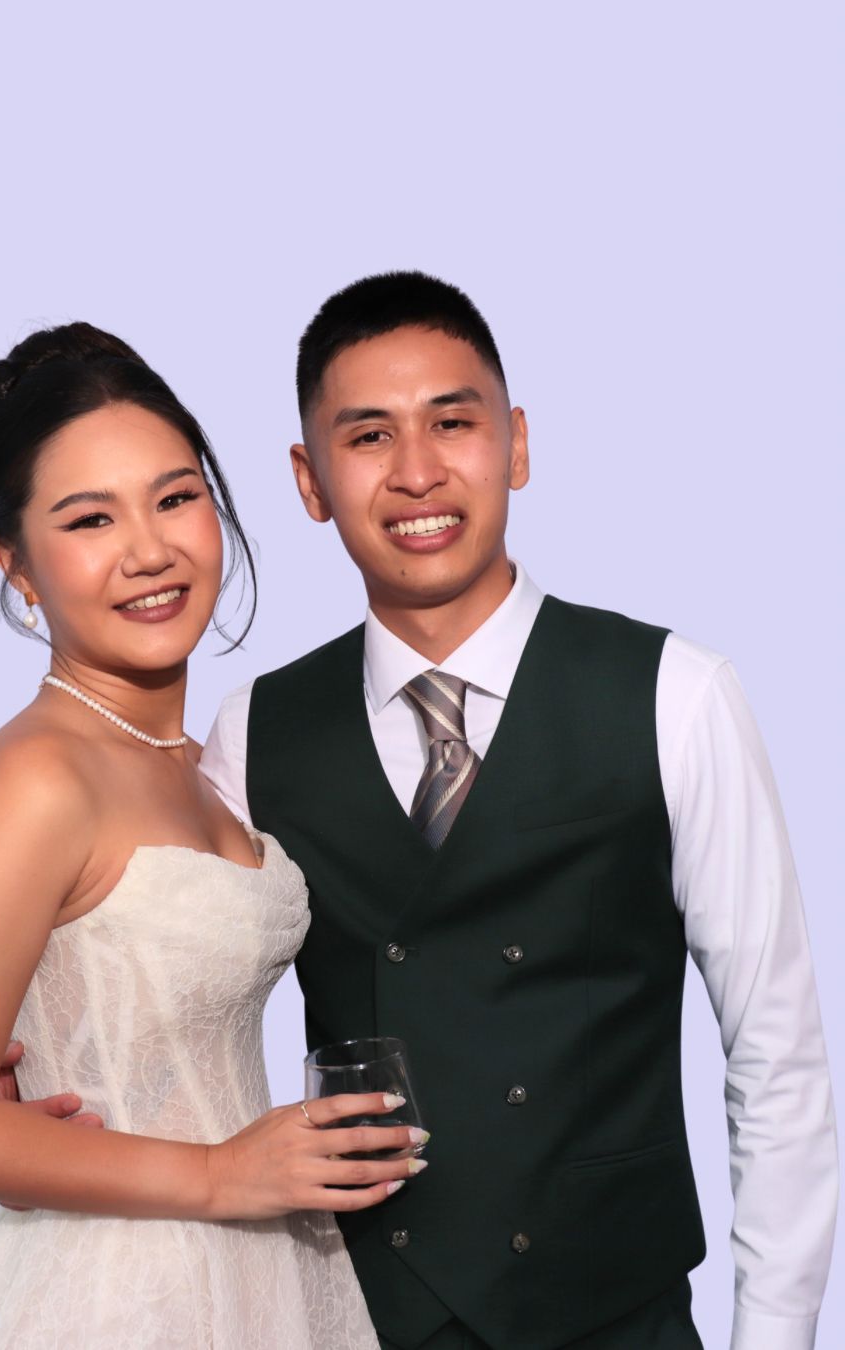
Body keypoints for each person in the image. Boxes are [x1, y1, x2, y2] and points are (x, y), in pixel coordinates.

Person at [197, 272, 838, 1349]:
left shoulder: (677, 695)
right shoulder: (255, 731)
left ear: (519, 444)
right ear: (310, 481)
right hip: (362, 1322)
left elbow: (777, 1058)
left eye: (453, 422)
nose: (417, 472)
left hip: (620, 1322)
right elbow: (180, 982)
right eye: (369, 436)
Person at [0, 322, 426, 1349]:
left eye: (175, 497)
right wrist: (218, 1172)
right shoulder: (40, 775)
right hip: (118, 1292)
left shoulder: (206, 761)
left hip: (259, 1271)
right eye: (89, 519)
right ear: (17, 566)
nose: (150, 551)